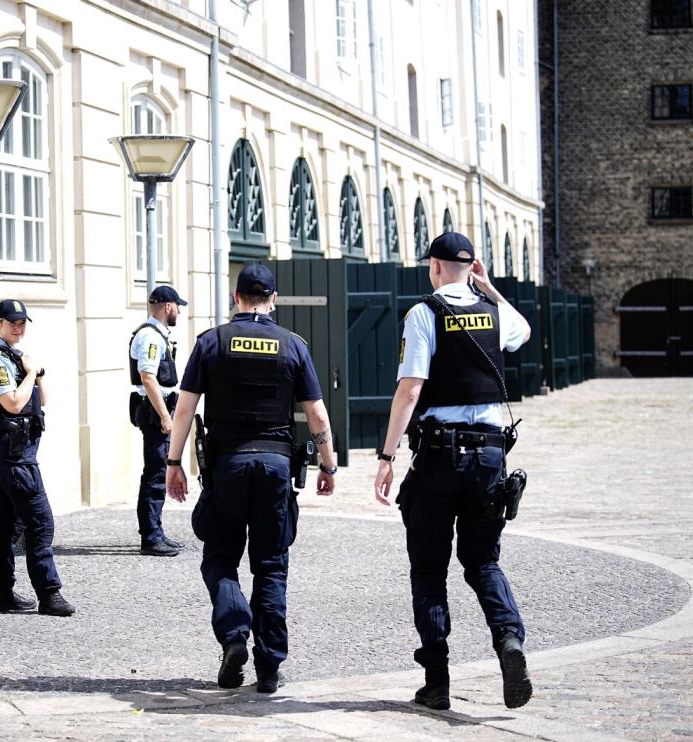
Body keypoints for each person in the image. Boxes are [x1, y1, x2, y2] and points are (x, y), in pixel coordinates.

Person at [373, 232, 532, 710]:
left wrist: (386, 456)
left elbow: (410, 390)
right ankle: (508, 639)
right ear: (472, 267)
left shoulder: (424, 314)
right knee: (483, 562)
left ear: (434, 267)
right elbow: (522, 330)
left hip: (441, 457)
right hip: (488, 458)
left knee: (428, 569)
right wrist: (491, 289)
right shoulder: (495, 313)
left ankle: (437, 681)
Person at [166, 264, 337, 694]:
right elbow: (316, 414)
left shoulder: (212, 342)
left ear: (236, 298)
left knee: (220, 557)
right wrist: (328, 465)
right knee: (271, 566)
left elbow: (184, 410)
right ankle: (269, 668)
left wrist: (174, 464)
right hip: (276, 467)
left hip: (227, 467)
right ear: (273, 299)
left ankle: (233, 635)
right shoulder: (292, 345)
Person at [0, 299, 74, 617]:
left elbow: (41, 398)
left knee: (10, 523)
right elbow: (13, 403)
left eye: (22, 323)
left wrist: (38, 372)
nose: (19, 328)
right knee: (40, 520)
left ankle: (1, 593)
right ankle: (49, 594)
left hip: (20, 448)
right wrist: (31, 372)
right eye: (13, 323)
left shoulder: (15, 357)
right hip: (12, 452)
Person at [128, 285, 189, 557]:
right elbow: (148, 377)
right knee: (154, 474)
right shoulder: (151, 338)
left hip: (158, 410)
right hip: (155, 414)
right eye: (177, 306)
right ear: (167, 307)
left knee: (158, 472)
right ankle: (150, 537)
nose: (178, 311)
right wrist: (165, 416)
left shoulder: (157, 335)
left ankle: (156, 531)